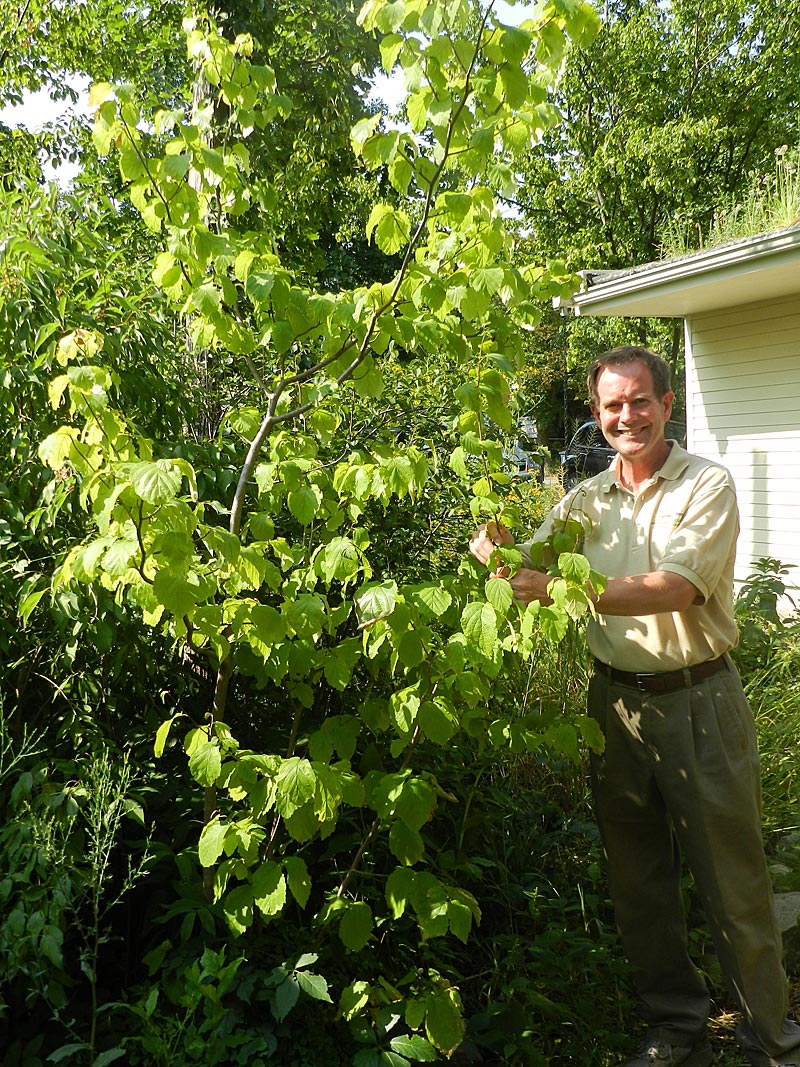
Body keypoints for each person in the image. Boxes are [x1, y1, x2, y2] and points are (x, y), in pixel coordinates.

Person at [469, 347, 800, 1067]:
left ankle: (769, 1041)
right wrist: (491, 550)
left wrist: (558, 588)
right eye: (612, 405)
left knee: (734, 882)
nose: (627, 416)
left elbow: (674, 588)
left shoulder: (705, 484)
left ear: (667, 404)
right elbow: (526, 562)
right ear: (597, 414)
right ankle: (677, 1025)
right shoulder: (585, 501)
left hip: (699, 700)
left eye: (640, 400)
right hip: (613, 706)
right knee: (638, 877)